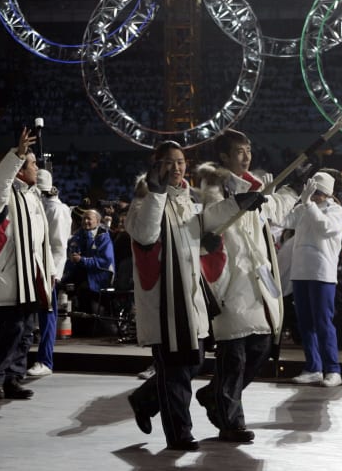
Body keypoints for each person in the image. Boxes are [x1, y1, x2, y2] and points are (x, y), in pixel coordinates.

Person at [125, 140, 255, 451]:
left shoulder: (189, 202)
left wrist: (239, 204)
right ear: (156, 165)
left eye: (181, 161)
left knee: (191, 362)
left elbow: (208, 219)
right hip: (166, 307)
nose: (177, 167)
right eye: (169, 161)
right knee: (176, 370)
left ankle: (145, 399)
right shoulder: (143, 202)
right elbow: (146, 234)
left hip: (189, 302)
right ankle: (179, 433)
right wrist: (156, 193)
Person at [193, 129, 296, 442]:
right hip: (228, 279)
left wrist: (296, 189)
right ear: (224, 155)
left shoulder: (257, 184)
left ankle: (215, 394)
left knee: (261, 347)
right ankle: (230, 421)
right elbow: (208, 220)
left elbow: (273, 208)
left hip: (256, 281)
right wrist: (238, 203)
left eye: (249, 149)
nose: (246, 155)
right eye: (239, 151)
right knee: (234, 354)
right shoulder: (212, 186)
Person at [0, 127, 54, 401]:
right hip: (9, 279)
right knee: (12, 330)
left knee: (25, 332)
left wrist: (50, 272)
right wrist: (17, 153)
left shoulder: (31, 197)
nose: (37, 167)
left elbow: (40, 243)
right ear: (20, 170)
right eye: (33, 163)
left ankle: (13, 378)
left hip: (31, 277)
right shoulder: (2, 196)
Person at [283, 171, 342, 387]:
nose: (314, 194)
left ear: (327, 193)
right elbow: (283, 220)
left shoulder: (336, 210)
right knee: (305, 323)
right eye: (312, 190)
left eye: (318, 191)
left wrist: (308, 204)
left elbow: (325, 228)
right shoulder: (304, 207)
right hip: (300, 272)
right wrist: (274, 198)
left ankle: (333, 369)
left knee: (323, 322)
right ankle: (313, 367)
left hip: (321, 273)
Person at [27, 168, 72, 378]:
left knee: (47, 315)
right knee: (37, 315)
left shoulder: (56, 209)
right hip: (36, 267)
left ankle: (45, 360)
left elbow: (59, 245)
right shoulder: (41, 205)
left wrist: (54, 273)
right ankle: (39, 359)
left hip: (47, 270)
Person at [62, 208, 114, 316]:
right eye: (84, 219)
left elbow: (105, 261)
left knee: (83, 290)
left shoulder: (104, 236)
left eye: (89, 219)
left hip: (98, 276)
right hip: (79, 274)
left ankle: (87, 326)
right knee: (62, 287)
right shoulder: (77, 236)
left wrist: (82, 260)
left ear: (97, 222)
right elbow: (71, 255)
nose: (85, 221)